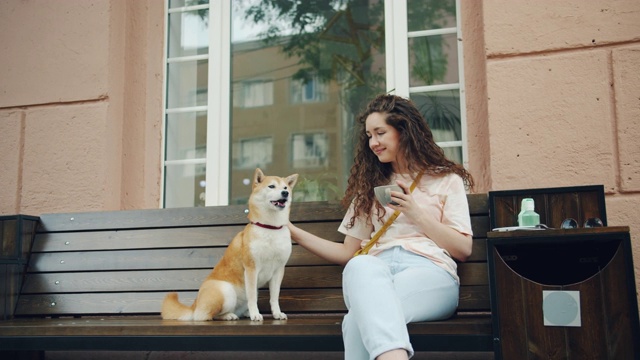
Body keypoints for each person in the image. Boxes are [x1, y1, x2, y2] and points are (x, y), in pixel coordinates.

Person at [288, 94, 475, 360]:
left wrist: (415, 212)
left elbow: (463, 249)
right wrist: (293, 232)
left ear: (404, 131)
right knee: (360, 264)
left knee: (357, 321)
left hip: (430, 273)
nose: (373, 142)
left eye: (380, 133)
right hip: (375, 273)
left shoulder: (445, 180)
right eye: (368, 136)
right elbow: (347, 254)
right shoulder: (370, 188)